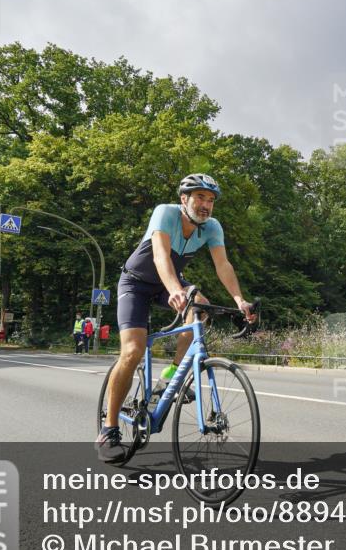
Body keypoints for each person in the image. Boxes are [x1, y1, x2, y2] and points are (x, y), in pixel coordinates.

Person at [96, 173, 257, 463]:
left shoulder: (211, 227)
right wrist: (174, 290)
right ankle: (109, 429)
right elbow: (160, 257)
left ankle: (171, 377)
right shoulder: (165, 213)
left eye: (210, 200)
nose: (206, 205)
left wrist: (239, 300)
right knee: (132, 351)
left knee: (200, 307)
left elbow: (223, 265)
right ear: (184, 199)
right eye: (200, 197)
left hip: (170, 282)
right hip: (136, 283)